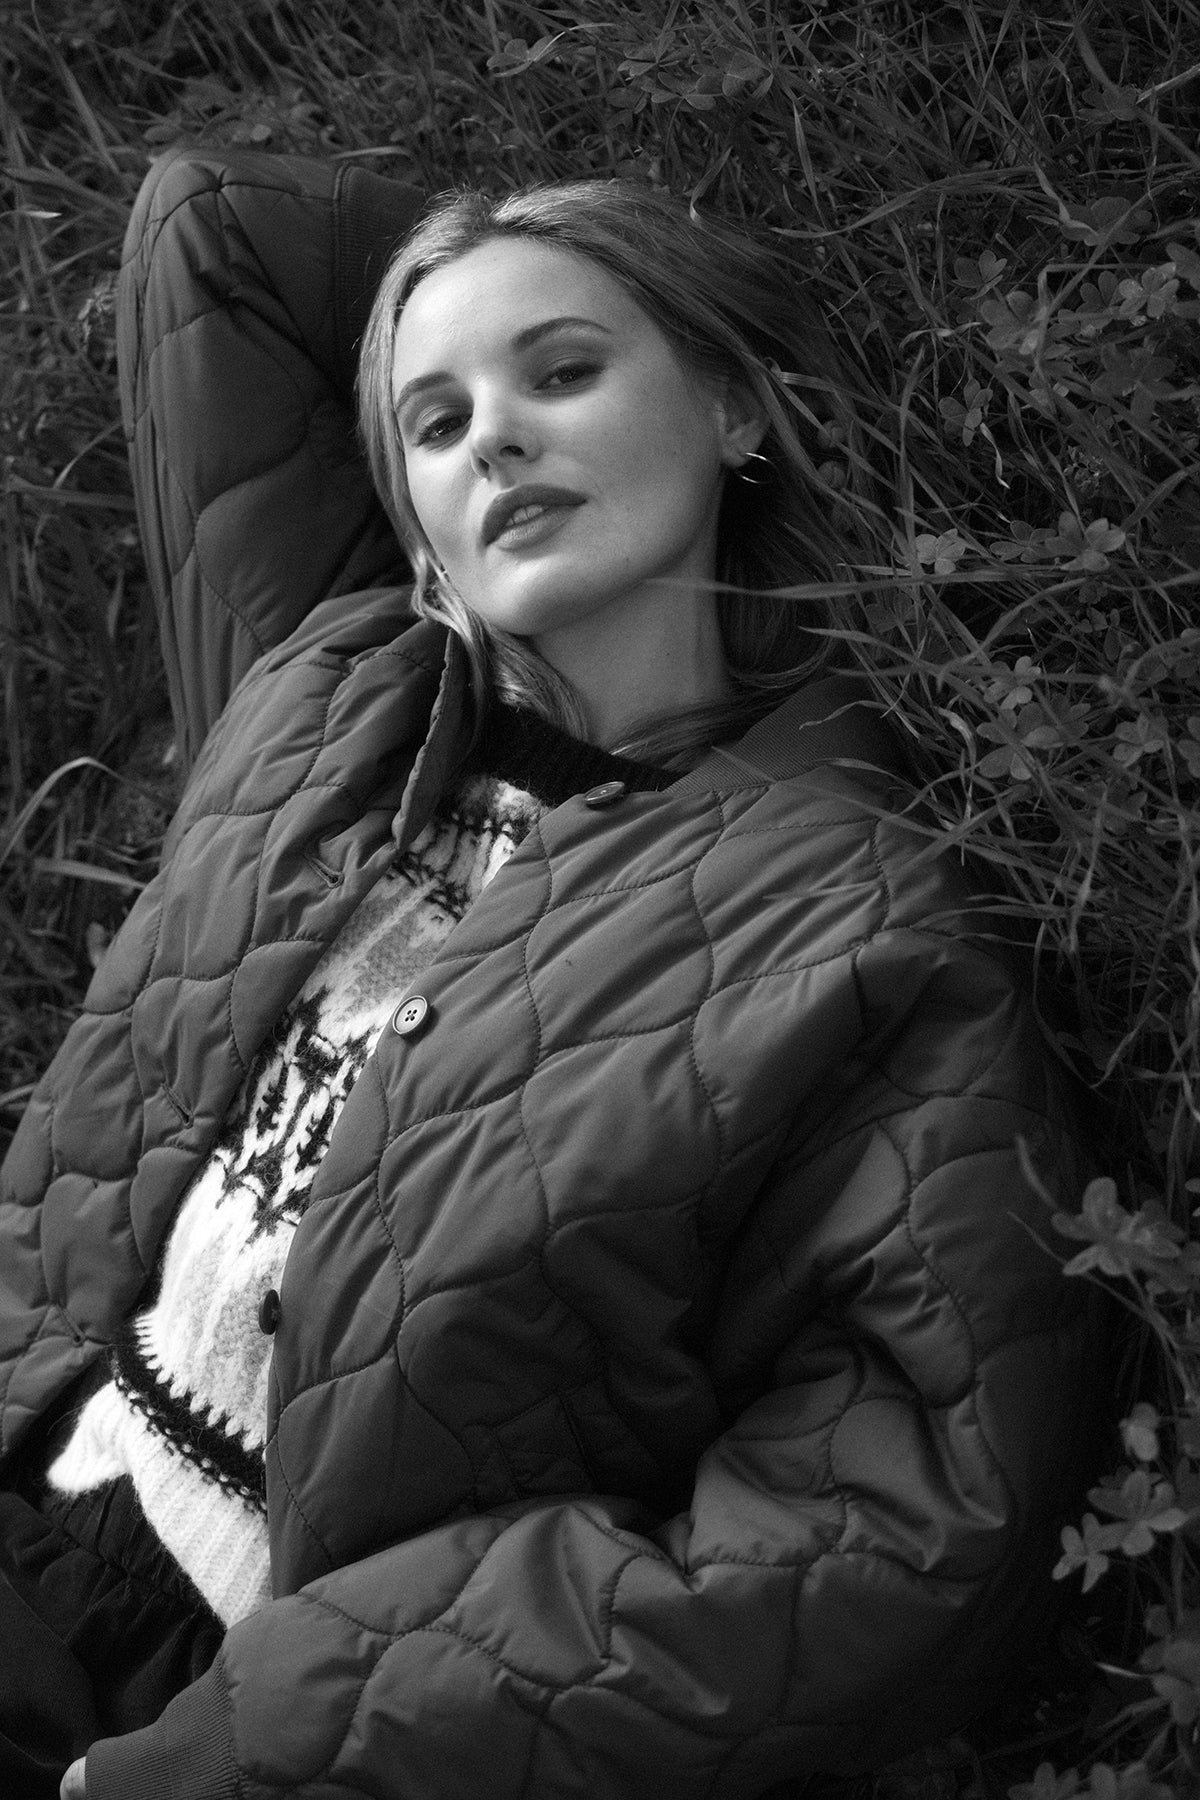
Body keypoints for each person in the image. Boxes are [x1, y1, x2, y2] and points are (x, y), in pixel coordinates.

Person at [0, 146, 1101, 1800]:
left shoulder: (860, 912)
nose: (494, 434)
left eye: (566, 372)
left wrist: (283, 1739)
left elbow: (887, 1524)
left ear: (738, 411)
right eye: (432, 425)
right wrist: (495, 255)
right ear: (414, 519)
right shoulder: (327, 685)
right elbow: (212, 222)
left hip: (232, 1708)